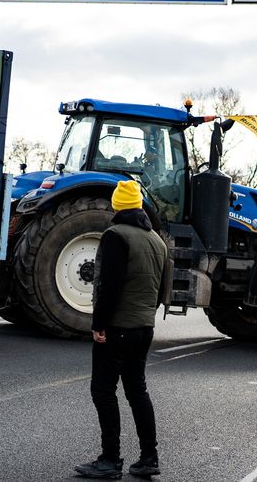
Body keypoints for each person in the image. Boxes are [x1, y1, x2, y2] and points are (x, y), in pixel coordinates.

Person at [75, 180, 171, 480]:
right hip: (143, 327)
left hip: (117, 327)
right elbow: (161, 289)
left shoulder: (115, 235)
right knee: (137, 391)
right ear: (139, 205)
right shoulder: (157, 240)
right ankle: (149, 457)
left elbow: (108, 285)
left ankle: (110, 460)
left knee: (103, 391)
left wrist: (99, 324)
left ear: (117, 206)